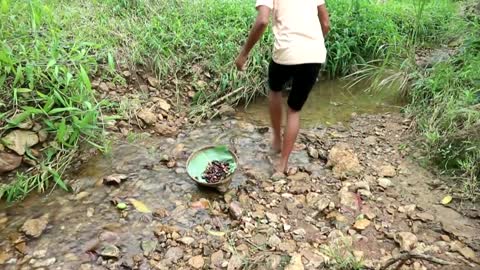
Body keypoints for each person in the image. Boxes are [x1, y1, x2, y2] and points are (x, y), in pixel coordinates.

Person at [235, 0, 330, 173]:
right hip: (314, 54)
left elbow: (263, 20)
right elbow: (325, 23)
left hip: (286, 51)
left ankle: (277, 140)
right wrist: (312, 46)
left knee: (275, 89)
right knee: (294, 109)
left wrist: (243, 54)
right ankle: (283, 164)